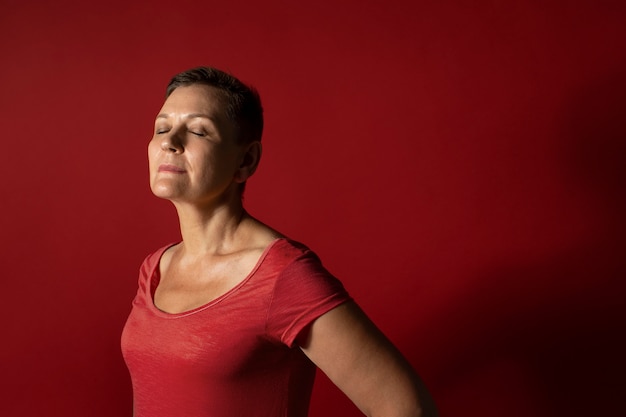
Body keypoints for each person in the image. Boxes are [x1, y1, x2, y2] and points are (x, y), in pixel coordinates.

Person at [121, 66, 437, 417]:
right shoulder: (156, 268)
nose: (170, 141)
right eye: (162, 128)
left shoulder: (281, 276)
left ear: (246, 160)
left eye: (198, 131)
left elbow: (407, 408)